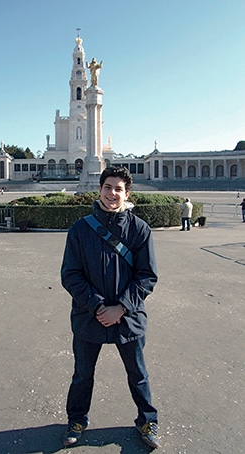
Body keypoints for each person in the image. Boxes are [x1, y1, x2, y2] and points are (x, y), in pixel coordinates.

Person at [61, 166, 160, 449]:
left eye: (118, 189)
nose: (112, 193)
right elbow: (71, 274)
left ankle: (147, 419)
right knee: (82, 374)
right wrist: (97, 307)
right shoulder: (81, 229)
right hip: (88, 317)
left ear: (126, 193)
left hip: (128, 318)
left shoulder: (139, 229)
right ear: (99, 189)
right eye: (107, 187)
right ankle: (77, 419)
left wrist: (121, 308)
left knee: (138, 374)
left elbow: (147, 276)